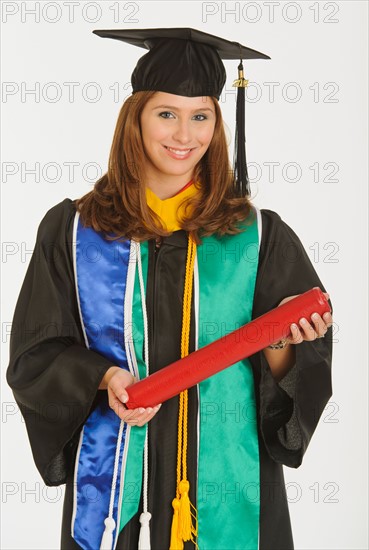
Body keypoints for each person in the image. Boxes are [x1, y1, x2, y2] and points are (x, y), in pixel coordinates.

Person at [6, 28, 333, 550]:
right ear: (134, 118)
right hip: (116, 485)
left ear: (217, 125)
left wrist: (282, 343)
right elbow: (34, 356)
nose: (185, 134)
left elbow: (295, 383)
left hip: (229, 487)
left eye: (200, 115)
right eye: (166, 113)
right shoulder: (73, 231)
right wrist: (104, 376)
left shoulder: (259, 236)